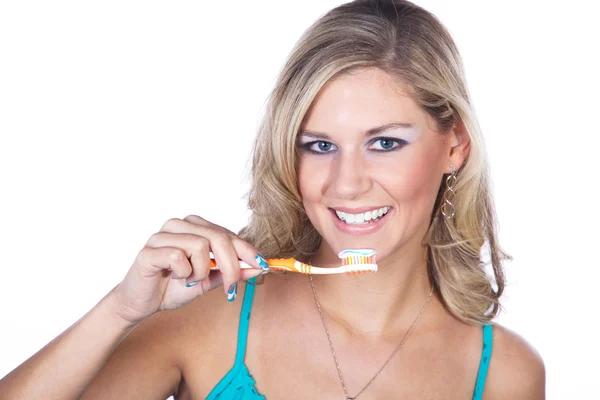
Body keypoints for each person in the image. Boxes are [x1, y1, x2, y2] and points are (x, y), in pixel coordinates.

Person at [0, 0, 545, 398]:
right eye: (319, 145)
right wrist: (120, 309)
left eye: (384, 143)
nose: (346, 183)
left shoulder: (504, 375)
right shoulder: (210, 319)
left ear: (455, 147)